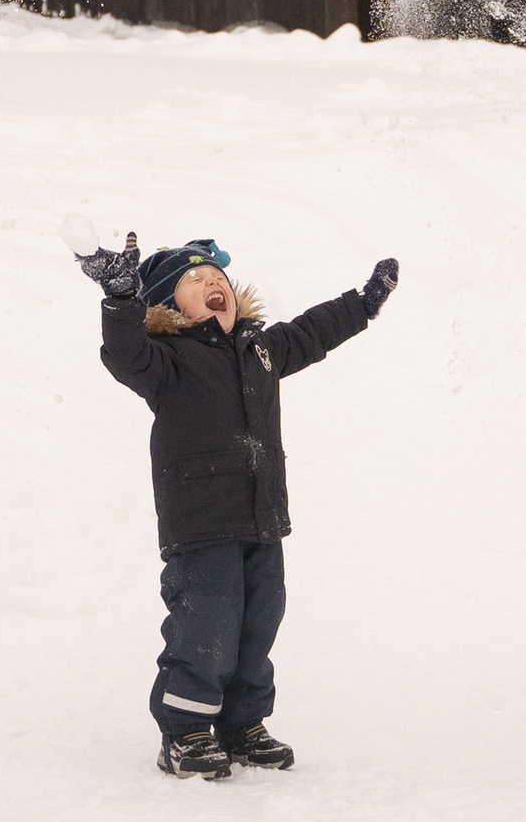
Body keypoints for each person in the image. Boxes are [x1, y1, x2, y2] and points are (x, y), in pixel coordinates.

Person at [76, 229, 400, 780]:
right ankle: (185, 731)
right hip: (201, 525)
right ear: (167, 306)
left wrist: (362, 305)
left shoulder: (261, 351)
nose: (211, 284)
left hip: (262, 517)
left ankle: (243, 723)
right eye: (194, 281)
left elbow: (311, 332)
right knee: (207, 624)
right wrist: (122, 298)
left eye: (217, 277)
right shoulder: (168, 362)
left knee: (259, 622)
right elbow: (124, 353)